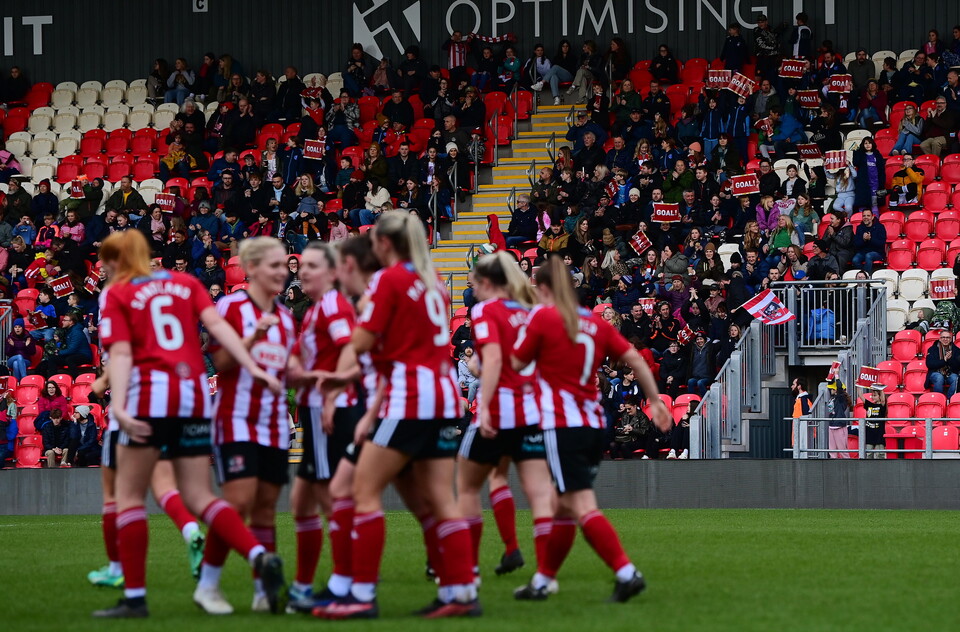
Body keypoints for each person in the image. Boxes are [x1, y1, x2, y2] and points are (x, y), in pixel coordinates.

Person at [91, 230, 285, 618]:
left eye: (106, 260)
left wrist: (122, 406)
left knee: (129, 497)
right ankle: (259, 556)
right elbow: (219, 329)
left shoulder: (117, 293)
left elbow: (123, 352)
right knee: (200, 496)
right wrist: (253, 368)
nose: (103, 267)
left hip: (149, 395)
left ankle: (134, 598)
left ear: (117, 260)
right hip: (194, 395)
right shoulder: (185, 283)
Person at [311, 212, 479, 620]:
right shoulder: (434, 282)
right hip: (441, 396)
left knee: (361, 492)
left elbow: (365, 340)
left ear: (384, 244)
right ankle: (461, 591)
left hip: (409, 399)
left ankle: (361, 596)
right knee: (441, 499)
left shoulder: (391, 280)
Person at [511, 256, 672, 602]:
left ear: (543, 288)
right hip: (594, 423)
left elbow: (515, 362)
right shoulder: (593, 322)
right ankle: (543, 580)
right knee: (565, 507)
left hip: (562, 424)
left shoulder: (543, 317)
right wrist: (656, 400)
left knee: (580, 504)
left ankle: (626, 572)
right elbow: (633, 358)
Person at [200, 237, 296, 614]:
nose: (281, 272)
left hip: (273, 424)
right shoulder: (231, 306)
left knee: (267, 510)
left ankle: (262, 594)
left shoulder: (287, 318)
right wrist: (253, 336)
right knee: (238, 502)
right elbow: (221, 362)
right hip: (235, 419)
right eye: (273, 265)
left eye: (284, 266)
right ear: (252, 269)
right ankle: (207, 586)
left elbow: (288, 371)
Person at [456, 252, 556, 586]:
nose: (472, 291)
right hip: (530, 411)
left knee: (467, 486)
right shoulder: (526, 312)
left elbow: (496, 359)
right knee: (532, 489)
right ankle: (541, 572)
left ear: (486, 283)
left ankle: (468, 574)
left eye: (473, 284)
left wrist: (486, 410)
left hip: (500, 409)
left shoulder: (484, 310)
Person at [281, 242, 359, 607]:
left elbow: (350, 348)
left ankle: (347, 582)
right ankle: (303, 585)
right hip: (315, 409)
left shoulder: (332, 304)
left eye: (312, 265)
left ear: (331, 272)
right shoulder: (313, 311)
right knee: (302, 501)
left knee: (331, 499)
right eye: (302, 266)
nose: (303, 271)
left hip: (330, 412)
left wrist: (329, 393)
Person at [926, 329, 960, 397]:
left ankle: (950, 399)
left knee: (956, 378)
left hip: (950, 373)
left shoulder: (956, 350)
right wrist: (944, 361)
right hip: (936, 373)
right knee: (939, 377)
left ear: (951, 339)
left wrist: (950, 360)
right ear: (940, 339)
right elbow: (929, 364)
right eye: (943, 337)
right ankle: (939, 399)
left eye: (947, 337)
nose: (945, 339)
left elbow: (958, 366)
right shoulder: (932, 349)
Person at [826, 379, 851, 459]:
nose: (830, 391)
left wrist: (837, 375)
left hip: (839, 426)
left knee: (843, 450)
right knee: (832, 451)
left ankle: (848, 468)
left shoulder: (841, 398)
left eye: (832, 389)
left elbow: (840, 388)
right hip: (831, 425)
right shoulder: (833, 398)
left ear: (836, 390)